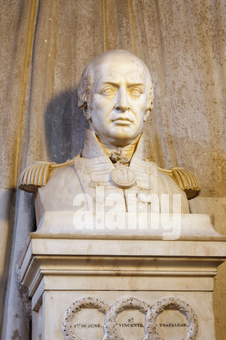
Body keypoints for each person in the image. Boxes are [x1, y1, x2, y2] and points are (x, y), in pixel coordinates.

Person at [19, 50, 191, 227]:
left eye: (135, 91)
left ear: (147, 107)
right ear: (87, 106)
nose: (123, 104)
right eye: (108, 91)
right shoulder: (51, 185)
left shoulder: (173, 188)